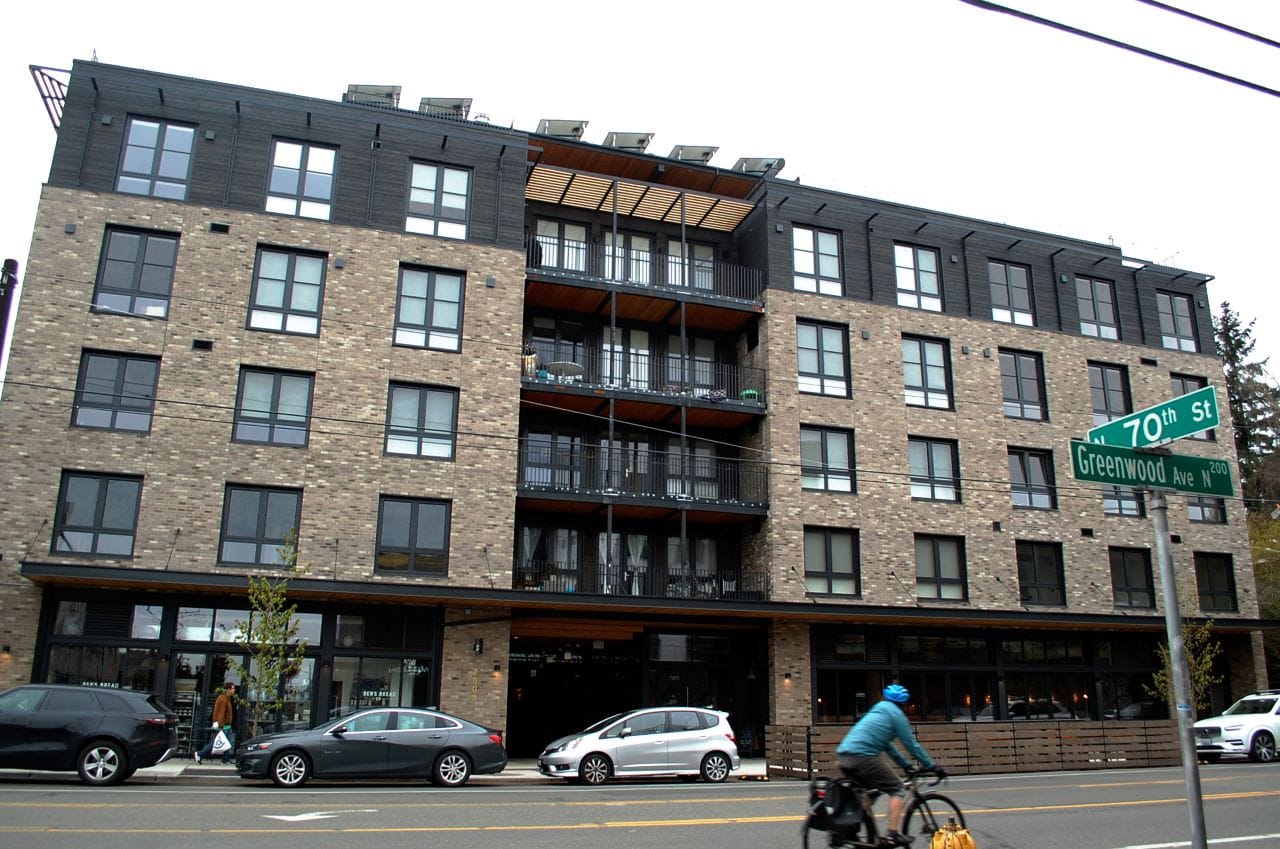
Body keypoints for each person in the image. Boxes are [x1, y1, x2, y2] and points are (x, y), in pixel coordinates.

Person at [835, 683, 946, 847]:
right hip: (862, 758)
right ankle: (892, 835)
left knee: (871, 792)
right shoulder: (897, 715)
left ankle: (850, 831)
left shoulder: (878, 709)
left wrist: (905, 765)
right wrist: (932, 766)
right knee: (897, 789)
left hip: (844, 757)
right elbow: (911, 744)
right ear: (903, 704)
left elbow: (889, 746)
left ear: (886, 698)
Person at [194, 682, 237, 765]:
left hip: (227, 726)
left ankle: (225, 760)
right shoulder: (223, 699)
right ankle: (199, 754)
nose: (234, 690)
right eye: (233, 688)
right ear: (228, 689)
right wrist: (220, 726)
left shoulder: (226, 698)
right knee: (216, 743)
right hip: (223, 726)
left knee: (226, 743)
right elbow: (220, 713)